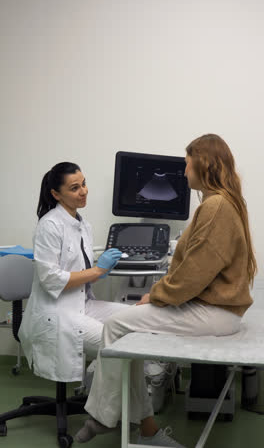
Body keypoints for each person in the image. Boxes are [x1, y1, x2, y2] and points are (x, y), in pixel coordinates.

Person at [75, 134, 257, 447]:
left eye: (187, 166)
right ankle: (144, 427)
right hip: (217, 310)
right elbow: (195, 269)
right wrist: (162, 294)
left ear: (203, 165)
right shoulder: (224, 203)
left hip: (215, 313)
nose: (184, 173)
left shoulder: (215, 207)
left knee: (116, 325)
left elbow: (194, 274)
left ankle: (105, 417)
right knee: (125, 334)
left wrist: (156, 295)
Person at [19, 162, 128, 383]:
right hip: (57, 313)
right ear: (56, 194)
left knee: (133, 320)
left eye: (84, 184)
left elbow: (78, 270)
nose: (83, 191)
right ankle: (107, 411)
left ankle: (110, 406)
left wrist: (99, 272)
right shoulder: (49, 226)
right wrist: (97, 270)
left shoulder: (82, 225)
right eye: (75, 188)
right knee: (119, 343)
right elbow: (51, 279)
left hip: (82, 303)